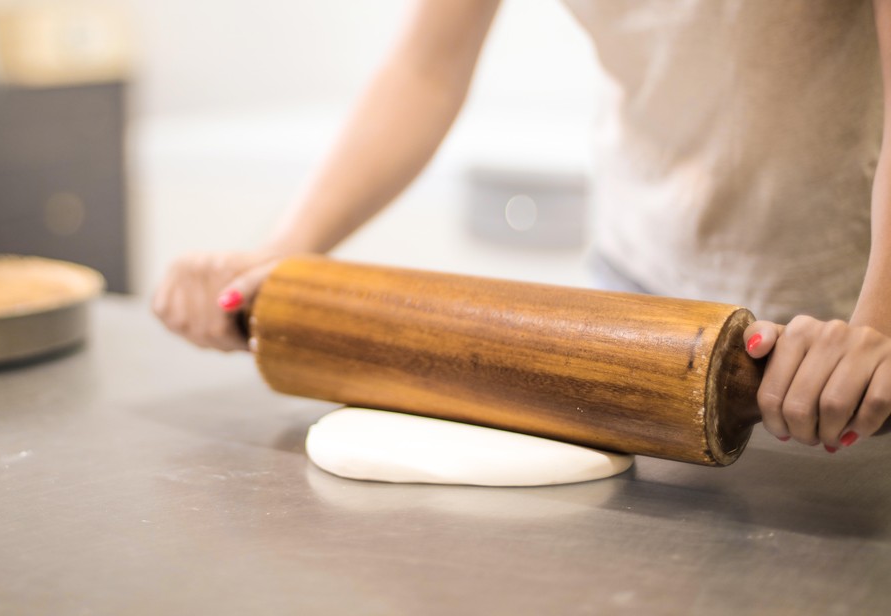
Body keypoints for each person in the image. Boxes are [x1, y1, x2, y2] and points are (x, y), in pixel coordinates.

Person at [153, 1, 891, 453]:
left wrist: (877, 328)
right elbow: (426, 67)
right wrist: (286, 251)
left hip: (836, 319)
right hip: (640, 302)